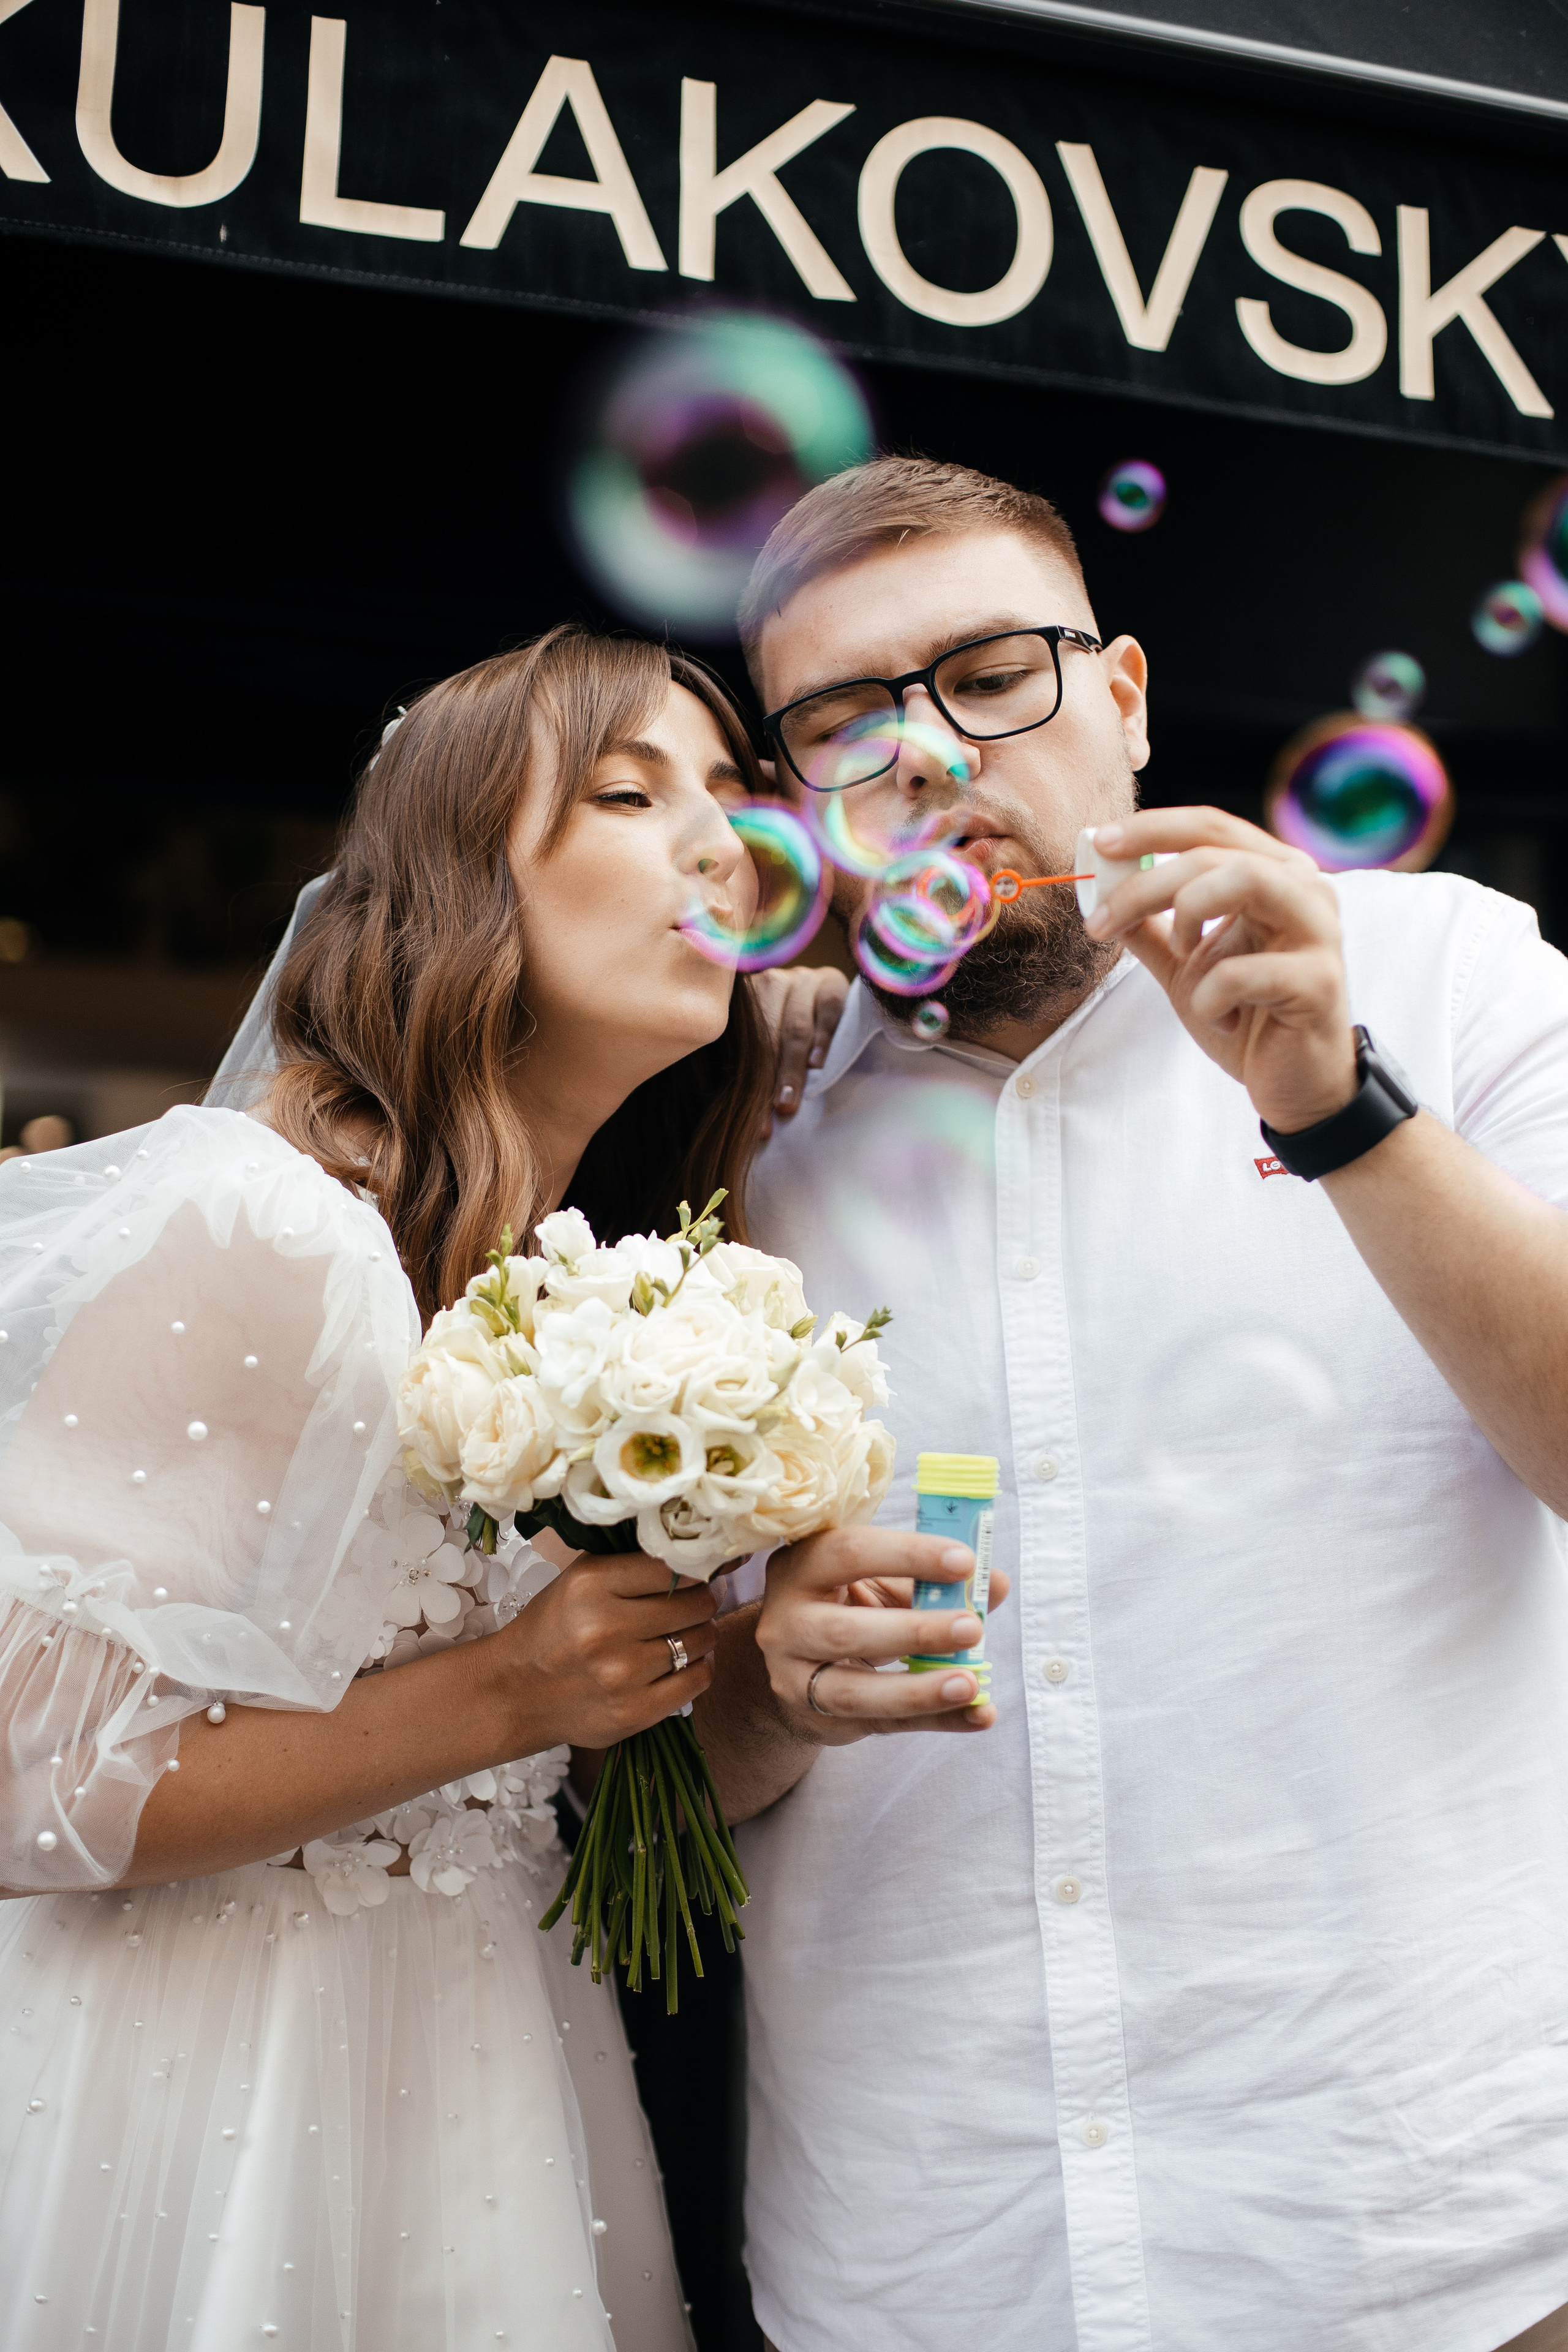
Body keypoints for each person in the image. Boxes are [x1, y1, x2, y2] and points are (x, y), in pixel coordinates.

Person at [692, 458, 1568, 2352]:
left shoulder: (1447, 972)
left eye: (992, 672)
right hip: (927, 2252)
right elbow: (642, 1780)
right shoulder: (732, 1144)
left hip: (1417, 2229)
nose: (924, 753)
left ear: (1129, 694)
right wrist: (758, 1683)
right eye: (845, 722)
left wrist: (1339, 1106)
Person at [0, 624, 840, 2352]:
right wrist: (511, 1693)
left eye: (740, 804)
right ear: (461, 873)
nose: (725, 848)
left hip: (493, 2060)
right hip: (220, 2083)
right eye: (630, 791)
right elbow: (23, 1779)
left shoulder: (581, 1282)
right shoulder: (260, 1228)